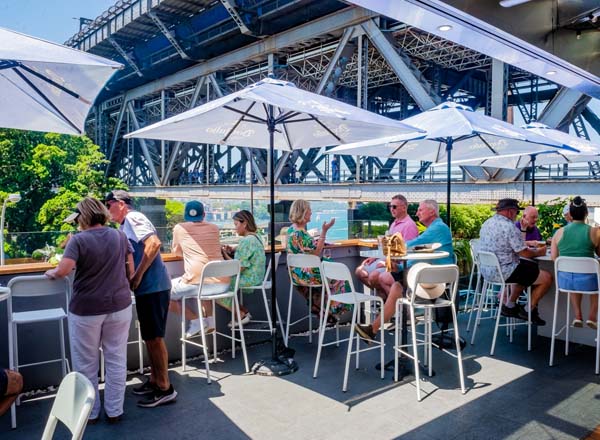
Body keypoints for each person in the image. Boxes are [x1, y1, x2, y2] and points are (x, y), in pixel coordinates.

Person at [45, 197, 133, 423]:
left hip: (87, 309)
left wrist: (52, 273)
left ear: (81, 216)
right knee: (116, 359)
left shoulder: (79, 240)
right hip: (120, 305)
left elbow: (64, 270)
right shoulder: (120, 235)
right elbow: (129, 269)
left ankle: (90, 413)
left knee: (86, 363)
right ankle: (115, 411)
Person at [104, 190, 176, 408]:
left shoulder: (134, 218)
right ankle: (155, 381)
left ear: (121, 204)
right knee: (150, 336)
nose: (107, 210)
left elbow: (153, 244)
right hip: (149, 287)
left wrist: (137, 275)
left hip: (153, 286)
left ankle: (165, 388)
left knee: (154, 337)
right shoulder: (125, 224)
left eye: (109, 205)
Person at [355, 199, 453, 341]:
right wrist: (398, 266)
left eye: (420, 209)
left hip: (435, 285)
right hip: (430, 281)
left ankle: (395, 320)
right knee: (396, 286)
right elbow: (419, 255)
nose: (417, 212)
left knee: (394, 284)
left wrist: (388, 250)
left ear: (432, 211)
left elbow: (411, 245)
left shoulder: (437, 228)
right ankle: (375, 328)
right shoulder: (435, 229)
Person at [479, 198, 551, 325]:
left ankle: (510, 306)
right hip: (504, 271)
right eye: (516, 212)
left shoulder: (486, 223)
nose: (516, 215)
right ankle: (528, 310)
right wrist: (540, 252)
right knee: (546, 277)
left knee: (527, 269)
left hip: (486, 271)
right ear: (510, 212)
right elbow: (524, 253)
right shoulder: (509, 227)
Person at [169, 200, 229, 338]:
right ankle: (211, 323)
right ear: (204, 214)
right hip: (223, 284)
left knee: (162, 293)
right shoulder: (214, 228)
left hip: (199, 283)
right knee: (204, 283)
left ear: (185, 215)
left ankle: (196, 321)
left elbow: (176, 253)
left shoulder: (180, 228)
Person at [287, 199, 348, 321]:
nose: (311, 212)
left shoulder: (291, 230)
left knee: (322, 283)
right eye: (309, 210)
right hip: (308, 276)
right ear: (303, 213)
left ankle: (318, 308)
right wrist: (324, 231)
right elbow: (316, 252)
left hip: (295, 275)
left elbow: (303, 249)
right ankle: (334, 311)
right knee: (339, 277)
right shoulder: (301, 234)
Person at [355, 195, 419, 297]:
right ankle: (384, 297)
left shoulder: (409, 226)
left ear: (404, 207)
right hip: (386, 259)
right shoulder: (394, 224)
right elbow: (388, 247)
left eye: (394, 207)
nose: (391, 209)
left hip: (398, 265)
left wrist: (385, 262)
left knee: (373, 277)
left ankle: (390, 302)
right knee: (360, 271)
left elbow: (406, 252)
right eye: (390, 206)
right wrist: (375, 257)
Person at [551, 196, 600, 329]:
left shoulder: (559, 232)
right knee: (595, 282)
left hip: (564, 282)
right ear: (586, 213)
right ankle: (592, 316)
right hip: (589, 283)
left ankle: (577, 315)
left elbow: (554, 257)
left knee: (573, 274)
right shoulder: (595, 232)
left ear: (570, 214)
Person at [221, 210, 266, 322]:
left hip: (249, 279)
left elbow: (238, 268)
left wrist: (224, 254)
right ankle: (244, 312)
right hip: (258, 277)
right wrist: (234, 249)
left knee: (220, 285)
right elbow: (248, 250)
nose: (235, 228)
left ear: (244, 223)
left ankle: (241, 314)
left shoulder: (246, 242)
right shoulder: (257, 237)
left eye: (236, 224)